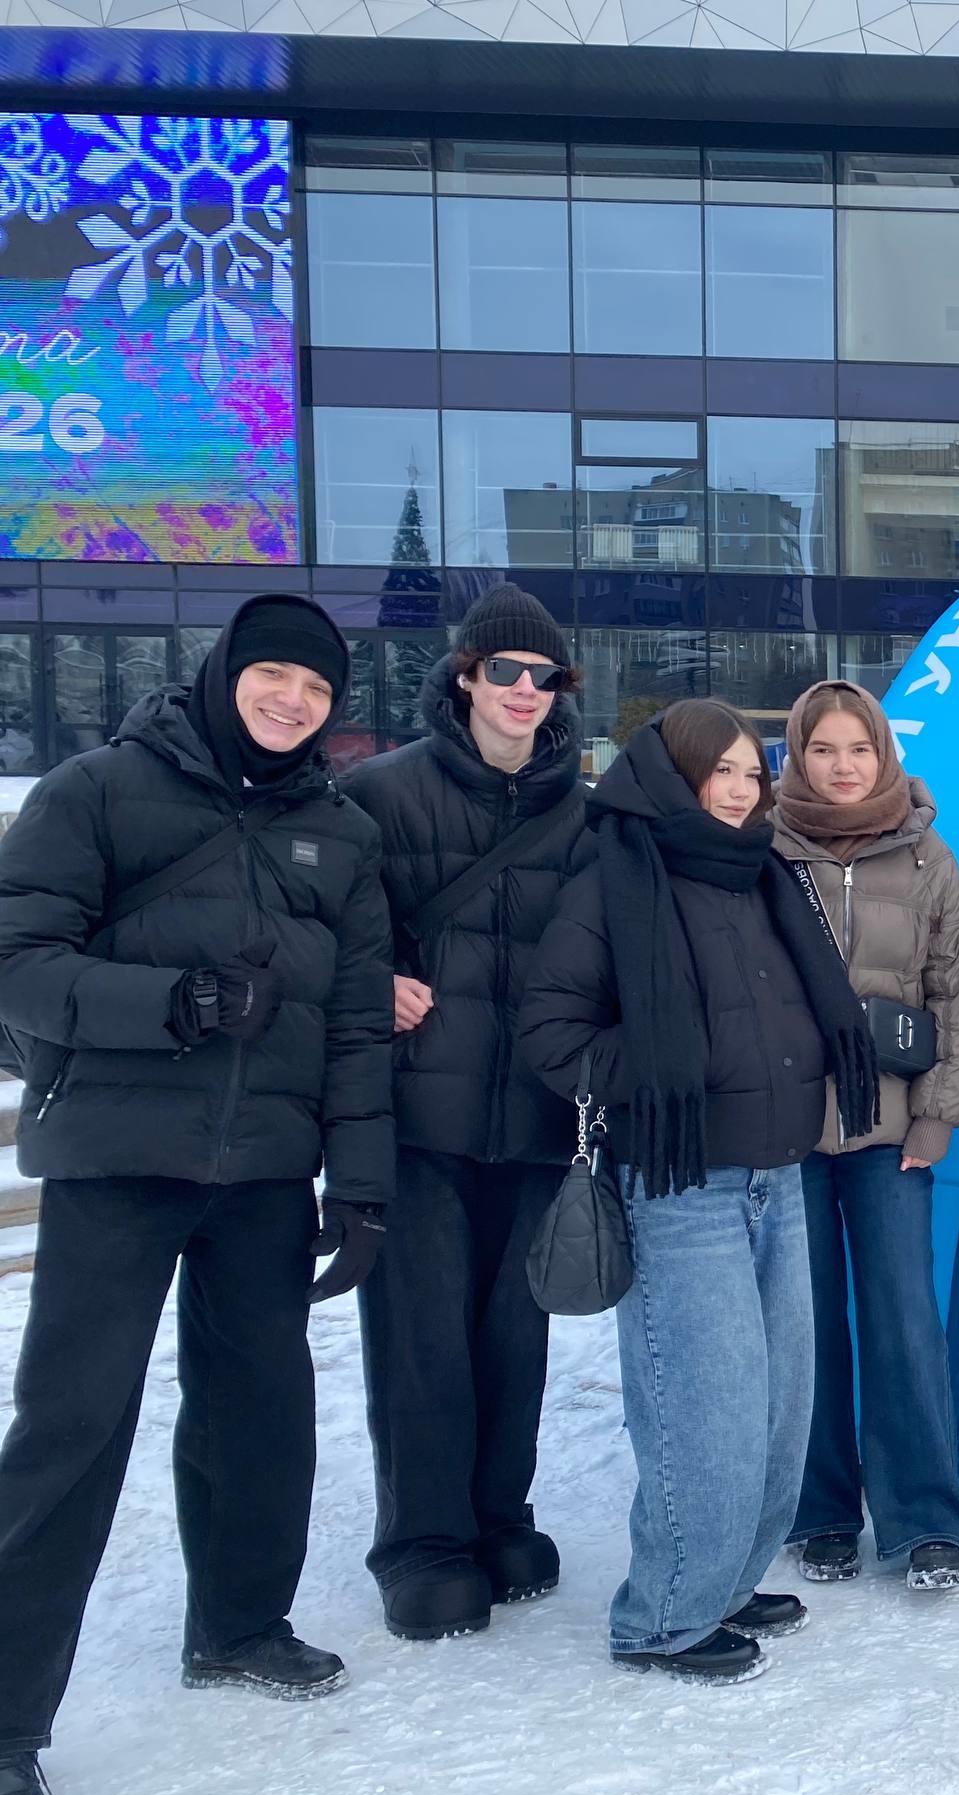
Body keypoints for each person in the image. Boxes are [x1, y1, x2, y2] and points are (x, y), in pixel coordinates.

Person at [0, 595, 393, 1795]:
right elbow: (16, 958)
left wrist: (363, 1179)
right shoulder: (98, 790)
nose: (293, 702)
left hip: (268, 1170)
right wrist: (163, 1002)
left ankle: (236, 1627)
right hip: (120, 1156)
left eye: (319, 690)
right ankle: (6, 1726)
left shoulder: (339, 830)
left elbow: (357, 1021)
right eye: (276, 675)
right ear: (225, 672)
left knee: (260, 1404)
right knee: (72, 1426)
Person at [518, 700, 877, 1685]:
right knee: (703, 1409)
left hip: (779, 1171)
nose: (735, 789)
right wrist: (661, 1072)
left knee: (777, 1403)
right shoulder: (616, 877)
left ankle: (724, 1581)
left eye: (749, 773)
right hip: (681, 1181)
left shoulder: (766, 873)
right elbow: (550, 1031)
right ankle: (663, 1616)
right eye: (714, 771)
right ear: (670, 778)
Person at [341, 585, 588, 1641]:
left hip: (533, 1115)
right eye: (506, 672)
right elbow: (331, 933)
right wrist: (371, 984)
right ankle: (424, 1543)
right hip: (416, 1117)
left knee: (512, 1335)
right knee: (421, 1339)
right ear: (464, 677)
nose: (525, 693)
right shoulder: (381, 795)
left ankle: (498, 1516)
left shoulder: (584, 807)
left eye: (545, 678)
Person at [772, 681, 959, 1593]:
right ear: (798, 756)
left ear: (885, 755)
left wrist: (939, 1115)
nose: (844, 767)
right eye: (825, 750)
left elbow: (955, 991)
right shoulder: (761, 848)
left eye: (860, 749)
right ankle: (822, 1510)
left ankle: (925, 1520)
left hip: (892, 1128)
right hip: (785, 1130)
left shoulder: (927, 854)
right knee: (806, 1325)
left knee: (901, 1320)